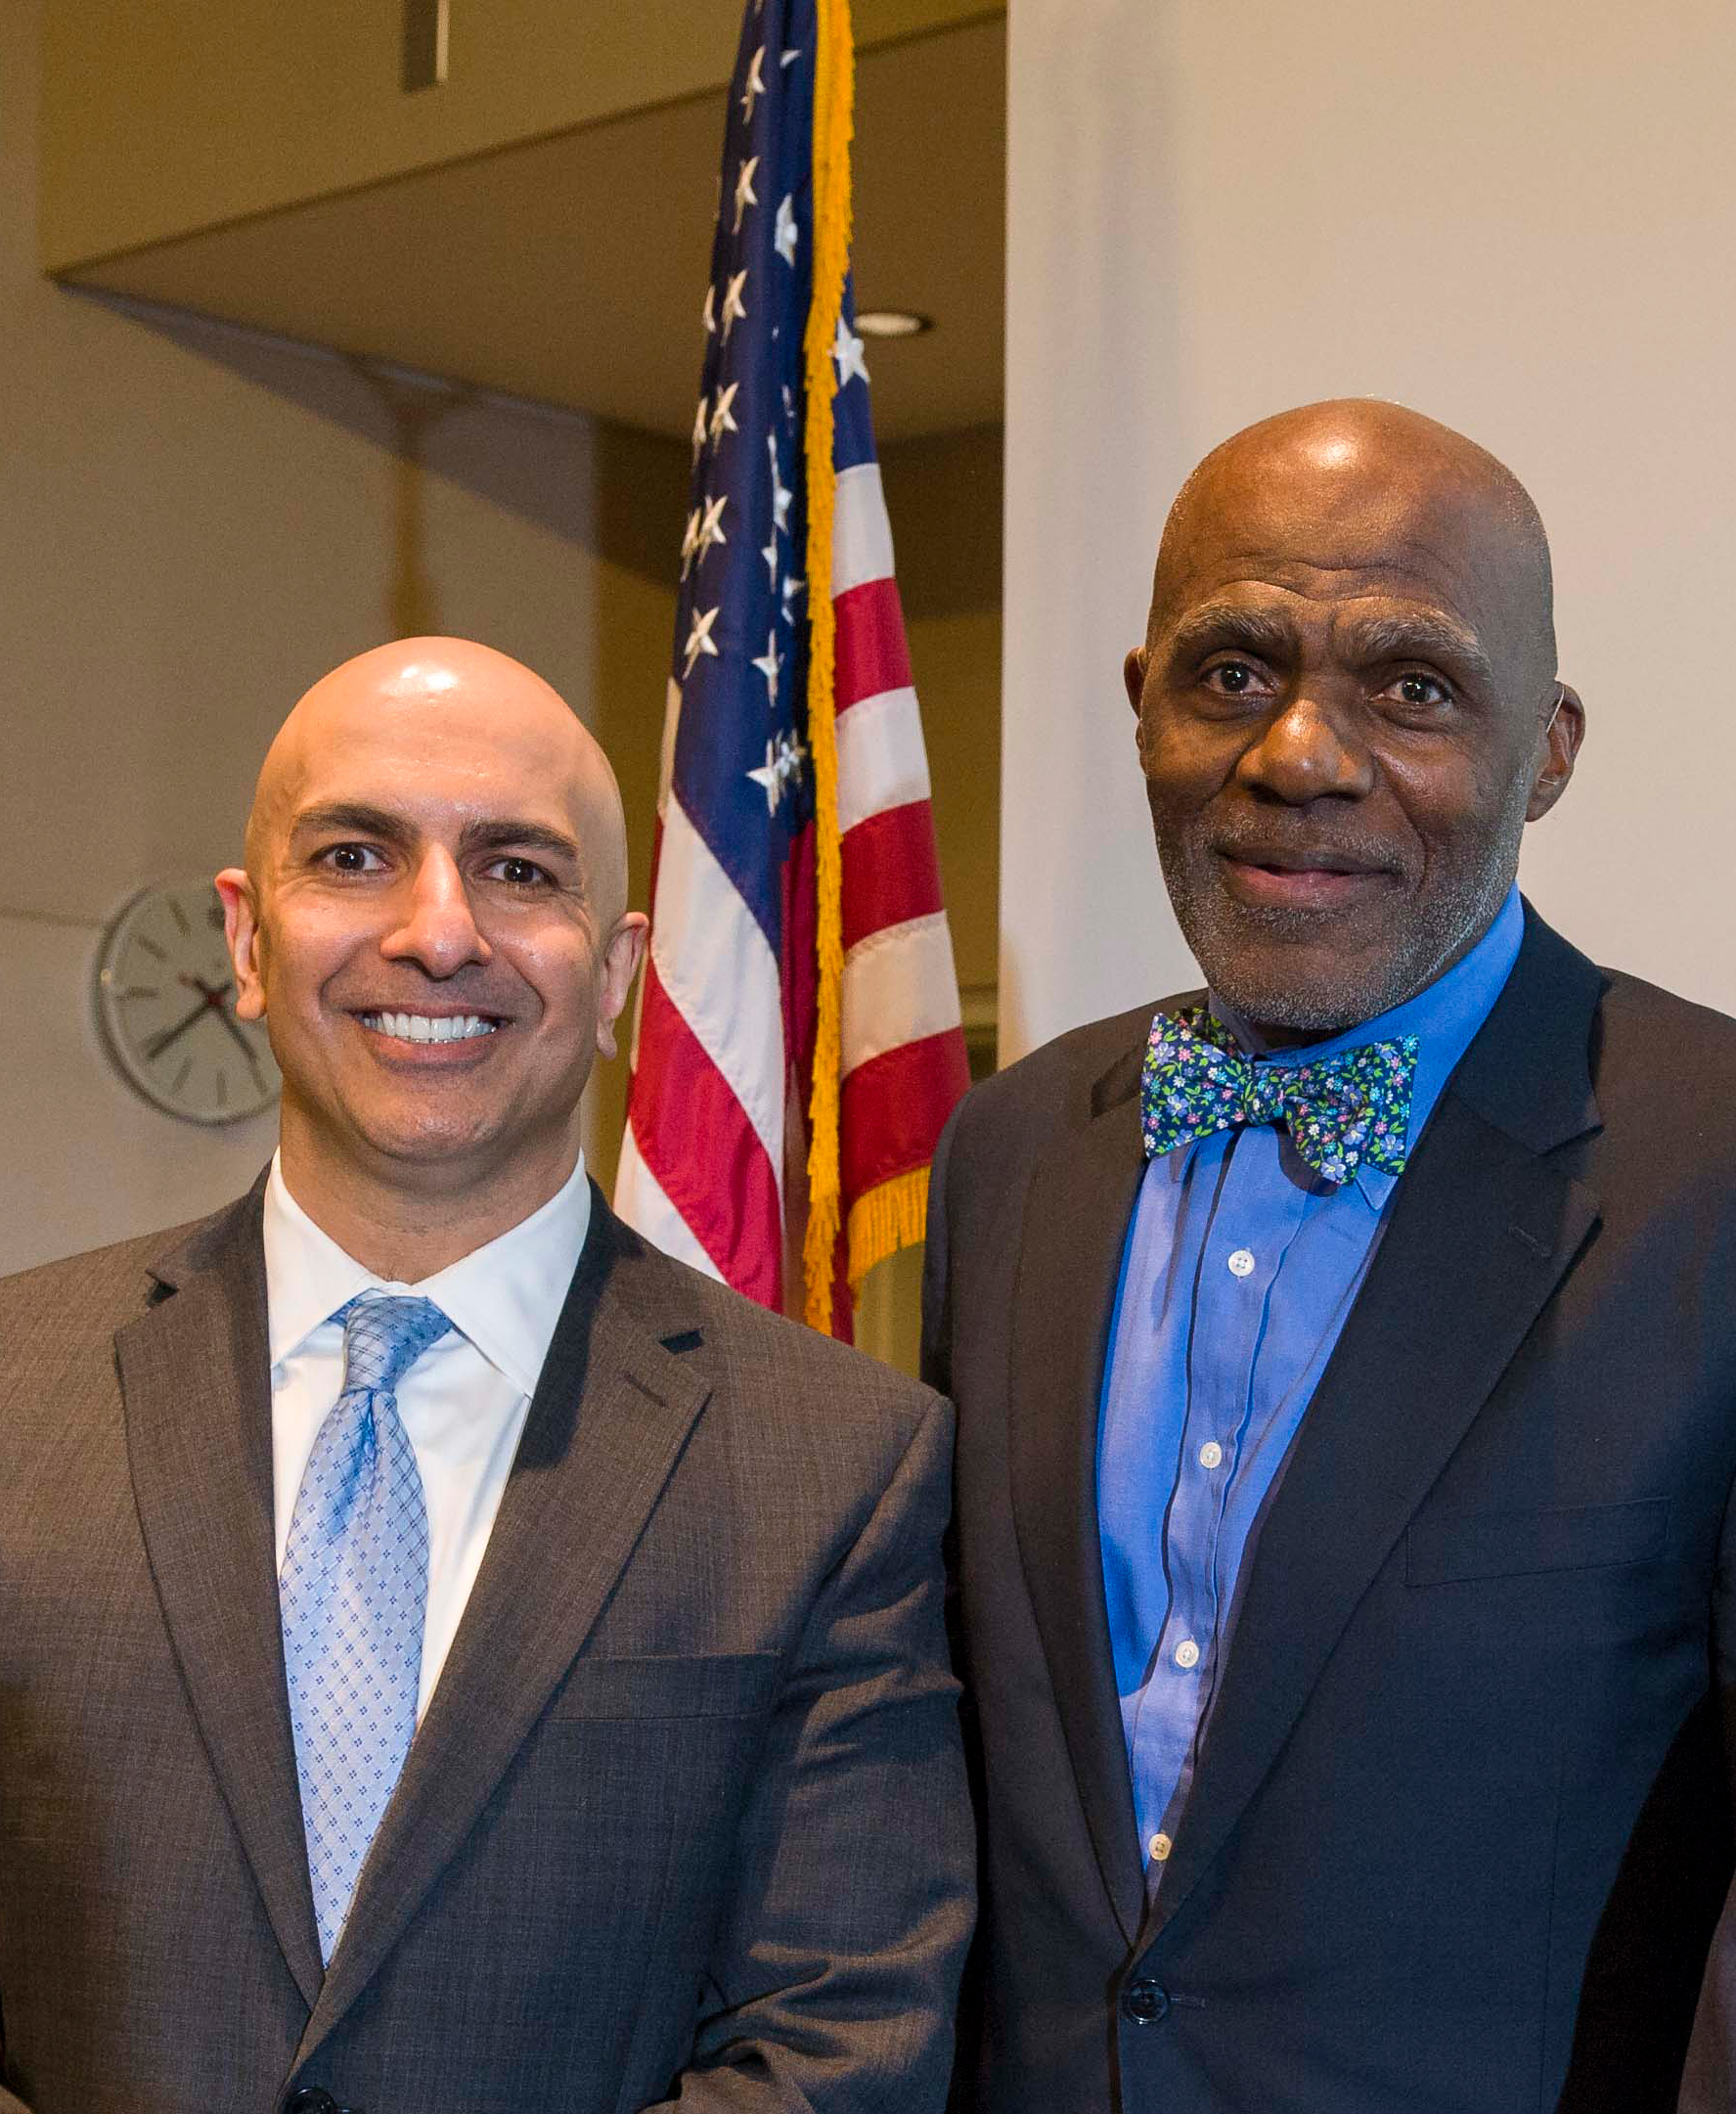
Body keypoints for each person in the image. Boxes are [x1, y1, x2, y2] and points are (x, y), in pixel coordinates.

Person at [0, 639, 972, 2114]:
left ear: (621, 975)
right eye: (355, 853)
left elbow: (842, 2050)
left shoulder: (844, 1465)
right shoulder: (19, 1388)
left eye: (519, 870)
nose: (440, 931)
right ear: (249, 943)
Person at [923, 400, 1736, 2113]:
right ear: (1137, 701)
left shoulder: (1718, 1167)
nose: (1299, 753)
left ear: (1556, 749)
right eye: (1231, 672)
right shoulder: (1009, 1155)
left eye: (1412, 686)